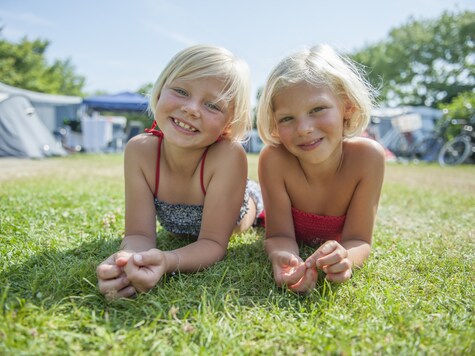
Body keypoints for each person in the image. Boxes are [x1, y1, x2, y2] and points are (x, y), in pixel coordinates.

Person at [96, 44, 263, 299]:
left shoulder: (229, 155)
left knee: (257, 208)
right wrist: (127, 260)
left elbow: (213, 244)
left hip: (247, 204)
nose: (192, 109)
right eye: (181, 91)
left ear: (228, 123)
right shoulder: (139, 151)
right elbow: (138, 234)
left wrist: (166, 260)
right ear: (161, 89)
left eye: (213, 106)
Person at [256, 44, 385, 293]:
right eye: (287, 118)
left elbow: (359, 240)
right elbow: (279, 235)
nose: (303, 128)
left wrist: (346, 257)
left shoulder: (368, 158)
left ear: (347, 107)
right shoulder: (273, 159)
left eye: (317, 110)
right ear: (274, 122)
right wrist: (284, 257)